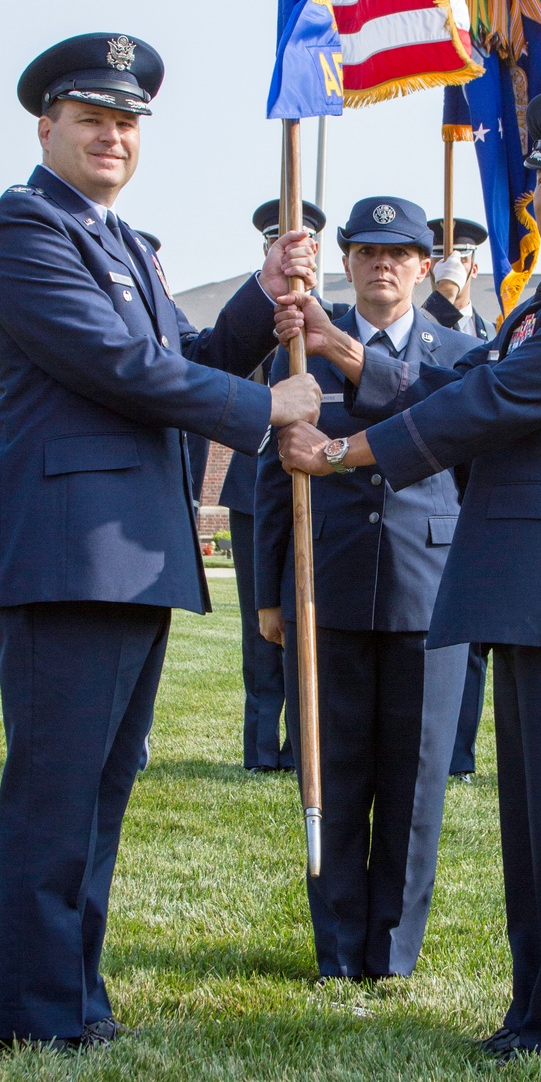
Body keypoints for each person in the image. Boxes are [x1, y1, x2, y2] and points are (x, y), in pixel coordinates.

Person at [278, 91, 541, 1064]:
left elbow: (492, 399)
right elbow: (454, 382)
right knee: (533, 827)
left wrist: (347, 452)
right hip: (527, 580)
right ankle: (535, 1010)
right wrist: (346, 360)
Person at [0, 32, 319, 1052]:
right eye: (92, 118)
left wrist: (262, 294)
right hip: (66, 551)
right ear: (48, 126)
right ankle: (35, 1012)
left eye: (128, 122)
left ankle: (75, 993)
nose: (113, 135)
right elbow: (119, 365)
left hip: (131, 552)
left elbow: (185, 352)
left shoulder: (128, 242)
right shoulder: (24, 227)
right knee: (56, 790)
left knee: (100, 789)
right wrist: (265, 406)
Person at [257, 196, 475, 980]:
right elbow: (269, 470)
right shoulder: (298, 352)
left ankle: (392, 952)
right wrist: (270, 594)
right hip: (329, 584)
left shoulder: (460, 349)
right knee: (335, 769)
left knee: (416, 779)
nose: (384, 264)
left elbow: (467, 452)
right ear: (345, 262)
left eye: (401, 252)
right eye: (368, 251)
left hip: (428, 586)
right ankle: (339, 949)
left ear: (424, 266)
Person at [218, 196, 330, 773]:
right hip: (255, 483)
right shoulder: (254, 314)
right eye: (279, 241)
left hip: (320, 479)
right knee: (261, 624)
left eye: (303, 241)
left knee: (314, 618)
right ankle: (262, 749)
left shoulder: (328, 319)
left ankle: (308, 743)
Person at [424, 216, 496, 780]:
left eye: (466, 256)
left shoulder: (499, 325)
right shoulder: (428, 319)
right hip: (436, 493)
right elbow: (414, 368)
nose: (460, 265)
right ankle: (446, 753)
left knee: (477, 635)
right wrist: (442, 297)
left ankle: (464, 752)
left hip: (485, 494)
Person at [424, 216, 496, 341]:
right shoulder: (411, 328)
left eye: (461, 258)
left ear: (474, 270)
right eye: (440, 257)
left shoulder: (495, 334)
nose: (450, 266)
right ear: (426, 268)